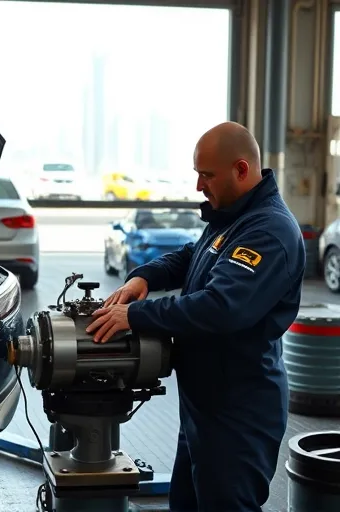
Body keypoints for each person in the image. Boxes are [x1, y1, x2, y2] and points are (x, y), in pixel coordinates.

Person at [86, 121, 306, 512]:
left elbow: (220, 308)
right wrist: (144, 276)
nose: (199, 186)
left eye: (207, 175)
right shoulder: (234, 218)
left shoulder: (268, 231)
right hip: (204, 408)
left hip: (238, 413)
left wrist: (134, 316)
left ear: (242, 169)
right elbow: (193, 255)